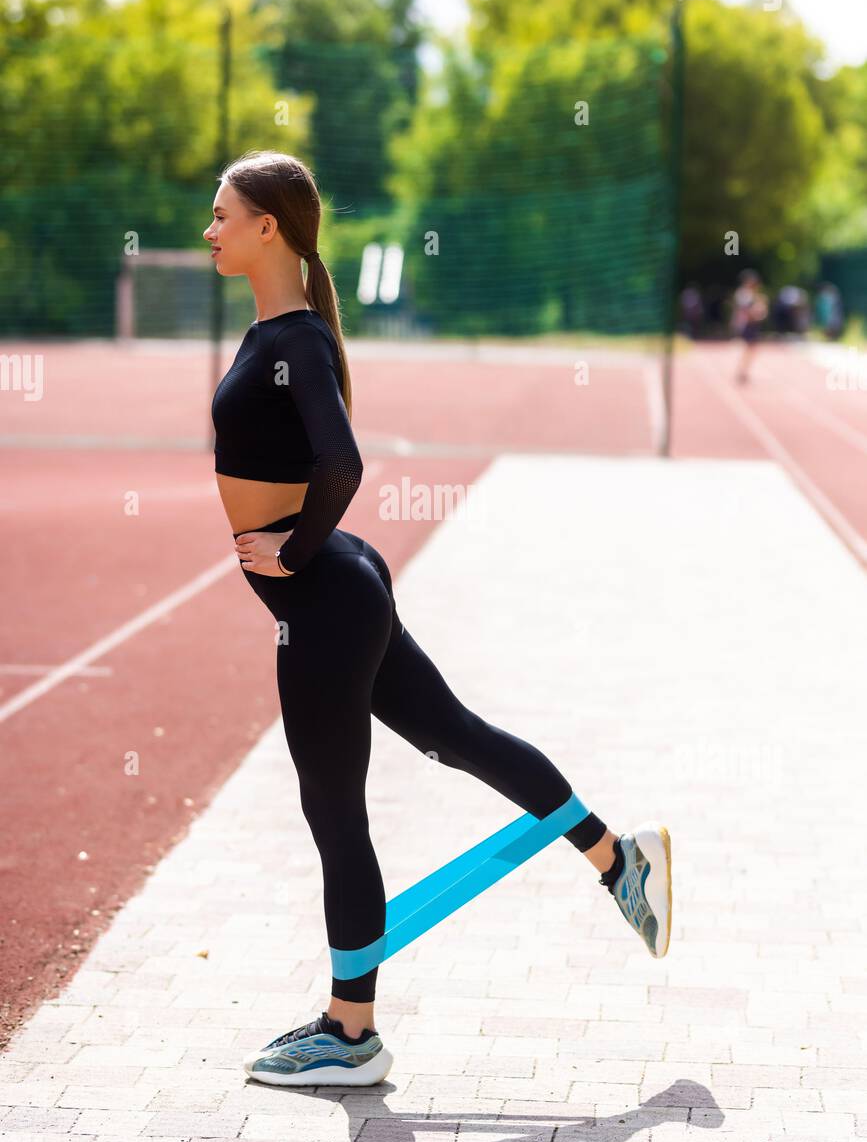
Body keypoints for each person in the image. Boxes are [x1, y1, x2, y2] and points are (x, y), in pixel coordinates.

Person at [205, 149, 673, 1088]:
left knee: (334, 807)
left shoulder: (293, 342)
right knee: (452, 736)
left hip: (325, 597)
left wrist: (292, 551)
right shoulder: (280, 335)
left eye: (222, 214)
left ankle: (351, 1035)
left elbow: (342, 468)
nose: (208, 229)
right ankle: (619, 860)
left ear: (270, 228)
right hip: (341, 586)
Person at [730, 268, 768, 384]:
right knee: (749, 348)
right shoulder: (744, 293)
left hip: (751, 324)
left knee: (751, 349)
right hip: (747, 324)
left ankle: (743, 371)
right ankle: (742, 371)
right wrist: (758, 313)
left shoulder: (751, 294)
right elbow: (746, 310)